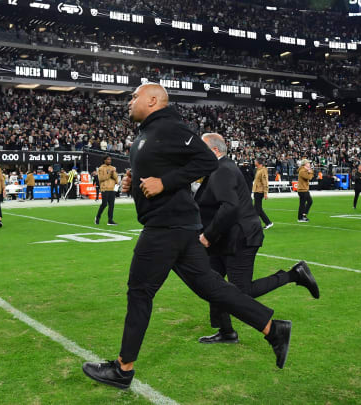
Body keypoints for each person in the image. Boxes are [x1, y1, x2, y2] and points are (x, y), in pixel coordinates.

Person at [82, 84, 292, 390]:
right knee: (212, 287)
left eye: (134, 96)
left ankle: (123, 368)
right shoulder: (146, 133)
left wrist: (165, 182)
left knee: (140, 292)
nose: (129, 101)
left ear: (153, 100)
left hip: (166, 228)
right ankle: (273, 328)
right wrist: (134, 183)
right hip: (177, 228)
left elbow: (207, 161)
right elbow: (157, 174)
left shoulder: (169, 125)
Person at [196, 133, 319, 344]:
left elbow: (230, 207)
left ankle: (293, 275)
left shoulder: (223, 169)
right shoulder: (218, 168)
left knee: (240, 292)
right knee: (211, 284)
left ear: (214, 151)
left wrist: (208, 235)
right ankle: (226, 331)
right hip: (226, 237)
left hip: (240, 237)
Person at [95, 155, 118, 225]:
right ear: (104, 160)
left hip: (112, 188)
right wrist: (109, 174)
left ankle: (110, 220)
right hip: (104, 188)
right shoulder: (101, 168)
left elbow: (116, 178)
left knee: (112, 205)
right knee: (104, 204)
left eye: (110, 160)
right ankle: (97, 217)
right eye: (108, 159)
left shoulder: (112, 168)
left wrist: (113, 173)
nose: (109, 161)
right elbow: (101, 179)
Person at [252, 158, 273, 229]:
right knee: (258, 208)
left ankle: (255, 225)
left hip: (260, 191)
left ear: (259, 163)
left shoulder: (263, 170)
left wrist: (265, 193)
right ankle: (268, 222)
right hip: (256, 190)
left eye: (255, 161)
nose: (254, 162)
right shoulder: (258, 170)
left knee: (257, 209)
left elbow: (265, 182)